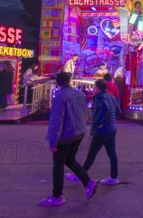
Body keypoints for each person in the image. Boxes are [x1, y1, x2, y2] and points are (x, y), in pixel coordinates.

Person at [40, 72, 98, 207]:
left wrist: (53, 141)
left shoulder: (59, 98)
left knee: (58, 165)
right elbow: (85, 112)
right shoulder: (80, 94)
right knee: (70, 160)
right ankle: (88, 183)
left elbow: (56, 121)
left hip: (65, 136)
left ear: (57, 83)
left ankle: (57, 196)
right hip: (79, 132)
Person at [67, 79, 121, 186]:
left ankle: (80, 175)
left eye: (94, 87)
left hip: (102, 131)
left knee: (92, 154)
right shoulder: (110, 96)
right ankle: (114, 177)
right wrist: (112, 119)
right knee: (112, 154)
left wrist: (99, 122)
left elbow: (105, 107)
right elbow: (118, 110)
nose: (93, 89)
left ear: (98, 88)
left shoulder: (100, 97)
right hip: (111, 129)